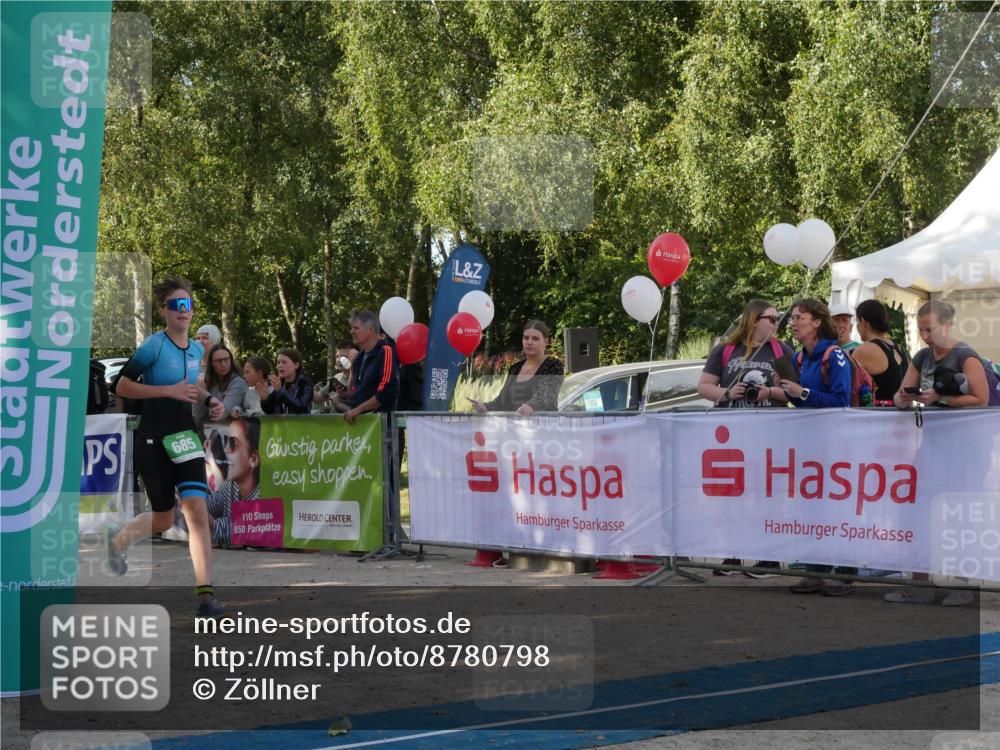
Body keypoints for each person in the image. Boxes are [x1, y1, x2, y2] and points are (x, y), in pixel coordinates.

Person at [105, 276, 224, 618]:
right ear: (163, 311)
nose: (183, 311)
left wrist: (209, 399)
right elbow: (121, 385)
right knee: (163, 518)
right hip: (152, 437)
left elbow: (194, 384)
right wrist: (167, 391)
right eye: (176, 305)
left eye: (187, 305)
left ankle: (207, 598)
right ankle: (119, 542)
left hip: (184, 435)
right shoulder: (154, 346)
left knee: (196, 511)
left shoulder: (198, 349)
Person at [886, 299, 988, 607]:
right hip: (931, 447)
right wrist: (905, 397)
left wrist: (941, 398)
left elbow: (981, 400)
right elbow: (901, 395)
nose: (926, 336)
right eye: (921, 330)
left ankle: (964, 583)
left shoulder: (966, 355)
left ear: (947, 325)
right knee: (917, 511)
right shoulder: (921, 356)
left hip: (966, 449)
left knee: (960, 515)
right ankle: (920, 582)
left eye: (930, 329)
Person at [698, 299, 793, 577]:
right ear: (753, 320)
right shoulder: (726, 349)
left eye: (778, 319)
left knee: (766, 495)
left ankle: (769, 557)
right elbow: (704, 385)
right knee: (732, 495)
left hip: (769, 435)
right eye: (771, 318)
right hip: (732, 438)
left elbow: (794, 391)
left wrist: (771, 391)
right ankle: (732, 553)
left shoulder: (781, 350)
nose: (777, 324)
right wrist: (727, 393)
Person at [779, 298, 853, 596]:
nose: (793, 322)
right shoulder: (799, 358)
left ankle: (845, 574)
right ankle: (814, 571)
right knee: (810, 508)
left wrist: (803, 392)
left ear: (817, 322)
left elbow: (841, 401)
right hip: (809, 445)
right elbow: (802, 401)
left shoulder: (834, 355)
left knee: (837, 508)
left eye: (800, 317)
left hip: (836, 446)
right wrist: (789, 389)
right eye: (793, 318)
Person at [472, 320, 564, 415]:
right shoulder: (515, 368)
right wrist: (485, 407)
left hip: (543, 426)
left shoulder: (554, 365)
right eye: (526, 338)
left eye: (535, 339)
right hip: (514, 427)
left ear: (546, 341)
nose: (529, 342)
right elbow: (501, 401)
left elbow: (547, 394)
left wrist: (531, 406)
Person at [205, 417, 261, 547]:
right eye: (226, 442)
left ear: (253, 459)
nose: (226, 449)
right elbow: (209, 505)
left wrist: (196, 509)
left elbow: (244, 531)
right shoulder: (231, 485)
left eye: (233, 444)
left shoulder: (264, 495)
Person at [850, 299, 909, 406]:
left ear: (863, 322)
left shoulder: (864, 350)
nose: (857, 326)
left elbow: (848, 387)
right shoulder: (900, 349)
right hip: (902, 416)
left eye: (857, 322)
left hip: (879, 417)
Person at [344, 310, 398, 424]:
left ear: (370, 330)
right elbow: (354, 392)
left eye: (356, 328)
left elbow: (387, 392)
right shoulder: (359, 357)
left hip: (380, 427)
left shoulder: (385, 351)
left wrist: (358, 409)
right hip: (360, 426)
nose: (351, 331)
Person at [194, 343, 247, 432]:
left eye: (226, 359)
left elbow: (222, 414)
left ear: (231, 360)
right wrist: (202, 392)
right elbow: (198, 414)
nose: (223, 364)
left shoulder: (238, 382)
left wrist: (210, 404)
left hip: (232, 436)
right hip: (208, 434)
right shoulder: (210, 382)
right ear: (211, 363)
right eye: (218, 360)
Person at [261, 349, 313, 415]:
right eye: (278, 362)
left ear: (296, 365)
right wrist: (265, 399)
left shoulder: (305, 383)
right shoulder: (280, 384)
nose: (280, 366)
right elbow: (269, 411)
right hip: (283, 425)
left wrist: (280, 391)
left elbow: (301, 407)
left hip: (301, 425)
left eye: (284, 362)